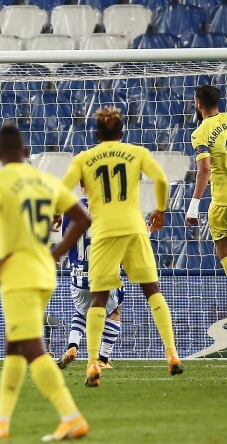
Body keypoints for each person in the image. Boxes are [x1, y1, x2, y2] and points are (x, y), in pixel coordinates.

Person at [0, 125, 91, 441]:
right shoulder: (47, 181)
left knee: (32, 348)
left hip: (19, 274)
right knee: (15, 347)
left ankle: (71, 416)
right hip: (44, 271)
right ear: (27, 153)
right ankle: (1, 420)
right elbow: (83, 218)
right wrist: (56, 253)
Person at [62, 107, 183, 387]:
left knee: (100, 299)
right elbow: (162, 180)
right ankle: (172, 353)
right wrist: (161, 211)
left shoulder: (85, 158)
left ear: (96, 134)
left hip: (105, 233)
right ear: (122, 133)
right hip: (134, 229)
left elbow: (62, 189)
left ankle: (93, 363)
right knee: (152, 291)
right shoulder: (137, 152)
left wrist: (57, 212)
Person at [57, 192, 124, 370]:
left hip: (79, 275)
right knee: (114, 312)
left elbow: (67, 237)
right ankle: (103, 359)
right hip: (105, 273)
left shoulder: (72, 207)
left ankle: (72, 346)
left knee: (81, 311)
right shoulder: (113, 206)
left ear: (82, 185)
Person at [187, 85, 227, 276]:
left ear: (199, 103)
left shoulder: (200, 133)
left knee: (224, 250)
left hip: (222, 203)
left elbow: (204, 169)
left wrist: (193, 207)